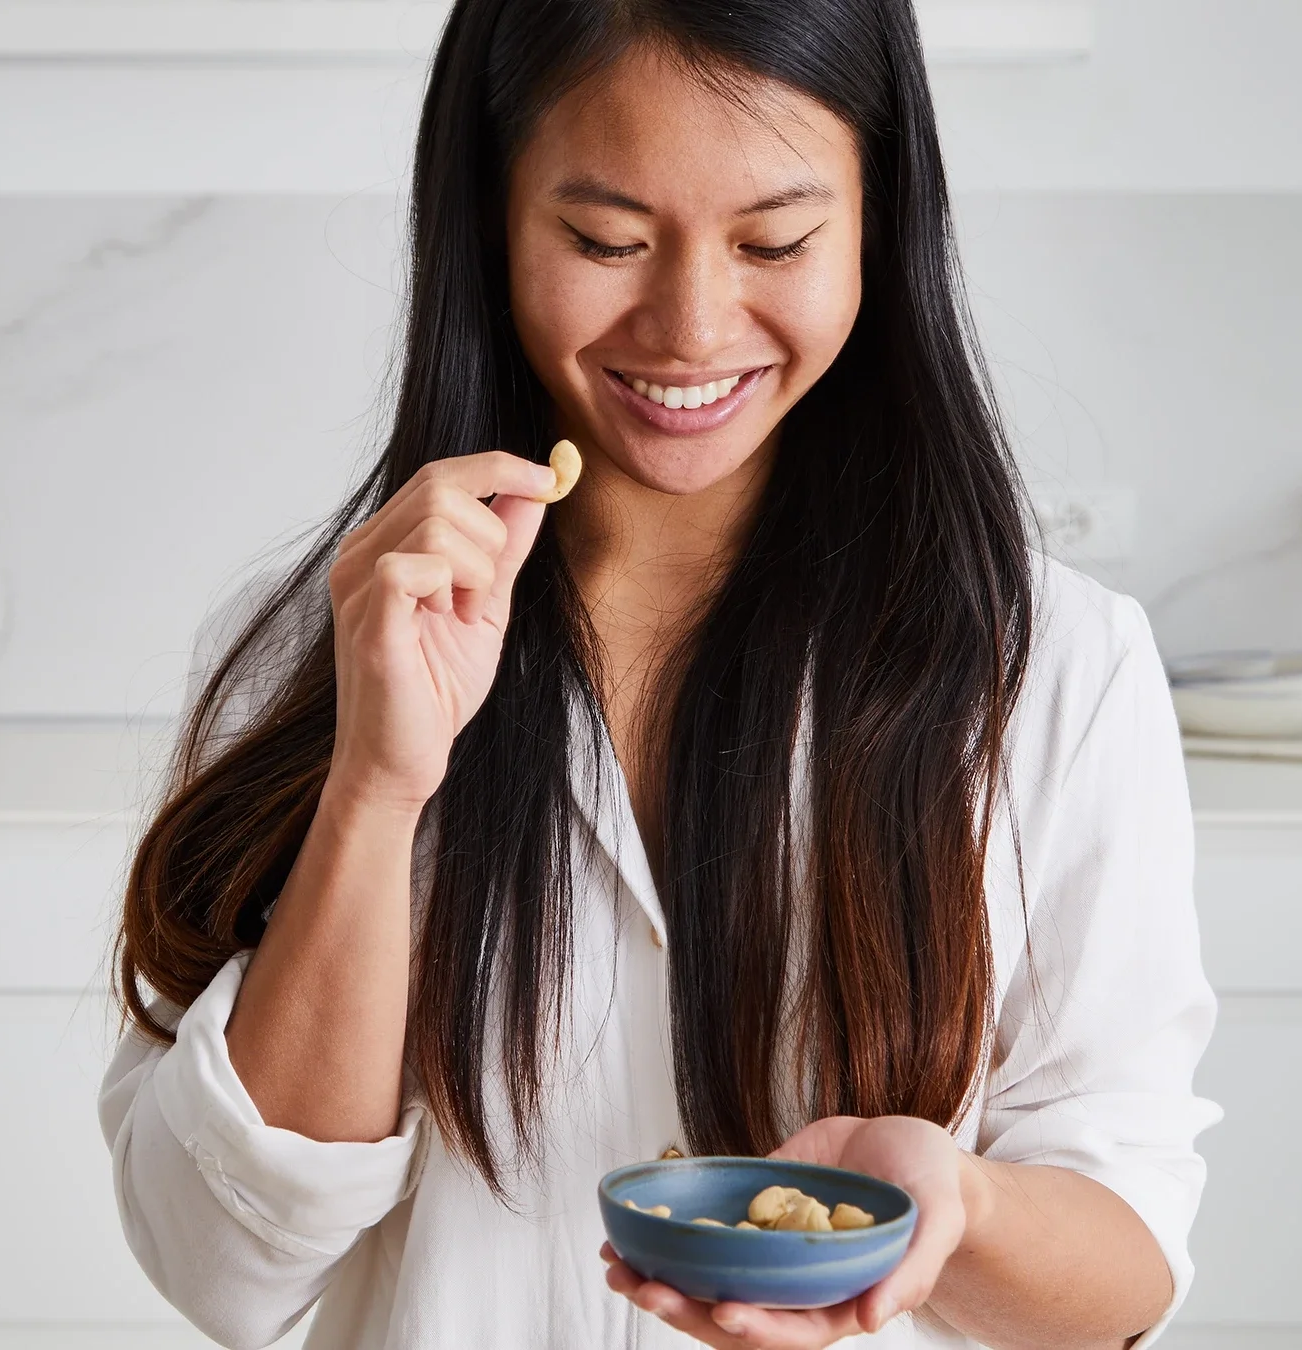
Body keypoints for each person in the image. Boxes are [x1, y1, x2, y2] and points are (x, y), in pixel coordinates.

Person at [101, 0, 1218, 1345]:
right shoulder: (333, 645)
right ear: (492, 220)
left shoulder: (1053, 669)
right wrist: (379, 786)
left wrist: (961, 1210)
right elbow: (219, 1267)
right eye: (606, 240)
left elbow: (1122, 1266)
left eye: (776, 241)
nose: (691, 326)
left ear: (879, 220)